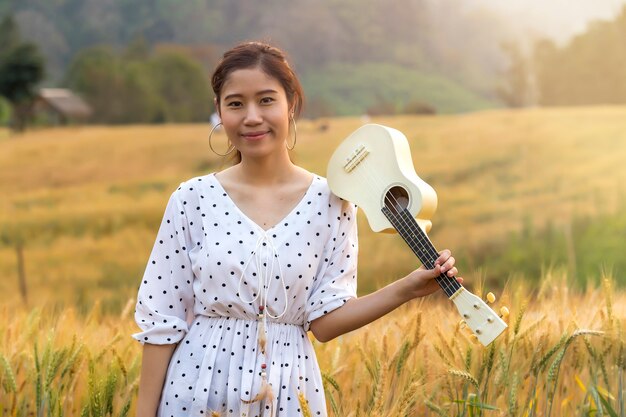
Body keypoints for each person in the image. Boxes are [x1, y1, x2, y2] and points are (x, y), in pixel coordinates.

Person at [133, 41, 461, 417]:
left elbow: (323, 321)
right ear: (220, 112)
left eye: (266, 100)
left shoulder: (332, 201)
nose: (251, 117)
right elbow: (162, 322)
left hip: (290, 393)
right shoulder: (192, 199)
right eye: (236, 103)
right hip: (196, 390)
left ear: (292, 104)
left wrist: (406, 288)